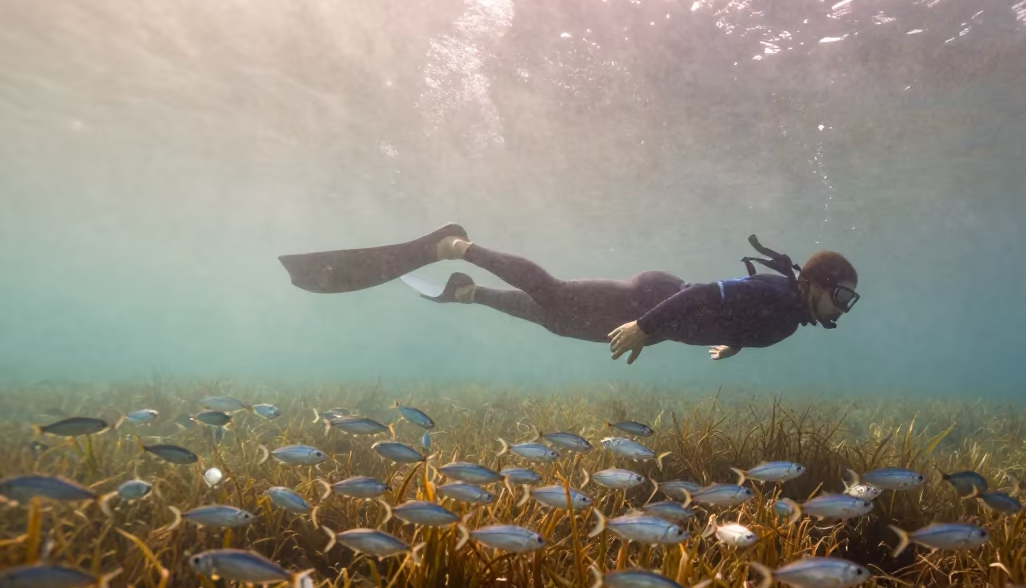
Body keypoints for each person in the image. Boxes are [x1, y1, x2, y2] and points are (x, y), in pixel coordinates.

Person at [276, 225, 859, 363]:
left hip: (658, 321)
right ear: (812, 284)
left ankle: (469, 292)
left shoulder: (787, 319)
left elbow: (731, 319)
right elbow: (703, 293)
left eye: (848, 301)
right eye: (842, 295)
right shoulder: (775, 295)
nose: (843, 308)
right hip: (648, 302)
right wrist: (646, 329)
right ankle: (458, 248)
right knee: (552, 294)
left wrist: (732, 342)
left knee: (553, 320)